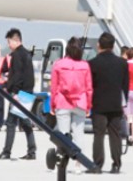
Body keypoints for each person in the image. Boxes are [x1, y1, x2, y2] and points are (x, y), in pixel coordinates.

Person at [50, 37, 92, 172]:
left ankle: (61, 164)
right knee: (79, 134)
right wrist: (88, 106)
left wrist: (52, 105)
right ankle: (78, 165)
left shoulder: (58, 64)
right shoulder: (85, 65)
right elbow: (89, 87)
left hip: (63, 101)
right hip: (80, 102)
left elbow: (54, 87)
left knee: (63, 135)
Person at [88, 33, 128, 174]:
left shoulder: (92, 63)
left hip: (99, 104)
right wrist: (124, 104)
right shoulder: (122, 63)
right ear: (113, 46)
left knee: (99, 134)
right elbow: (126, 86)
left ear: (99, 45)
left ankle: (97, 164)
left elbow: (90, 86)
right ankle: (116, 164)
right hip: (116, 104)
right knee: (115, 134)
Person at [0, 28, 36, 160]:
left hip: (19, 94)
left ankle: (7, 151)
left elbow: (18, 75)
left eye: (9, 41)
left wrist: (15, 92)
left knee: (11, 123)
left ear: (16, 40)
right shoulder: (26, 54)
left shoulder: (17, 55)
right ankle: (32, 151)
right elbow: (27, 76)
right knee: (25, 123)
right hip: (27, 93)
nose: (8, 45)